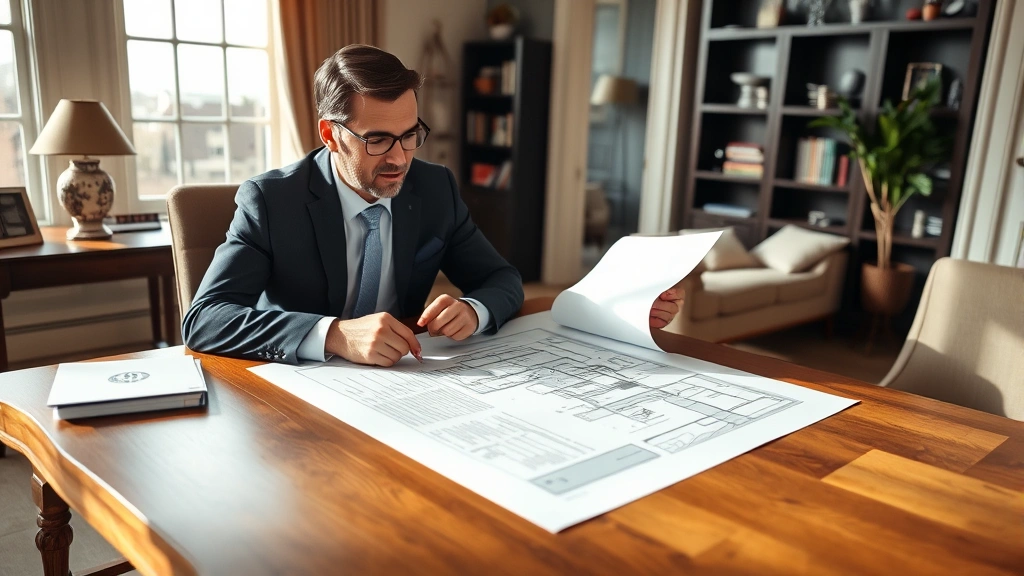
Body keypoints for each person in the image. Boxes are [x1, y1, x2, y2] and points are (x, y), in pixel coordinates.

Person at [183, 44, 681, 367]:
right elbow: (205, 318)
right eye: (378, 139)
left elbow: (503, 280)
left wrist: (475, 309)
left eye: (410, 135)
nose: (400, 158)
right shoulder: (272, 200)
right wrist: (333, 335)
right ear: (330, 135)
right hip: (299, 389)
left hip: (409, 383)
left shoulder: (434, 188)